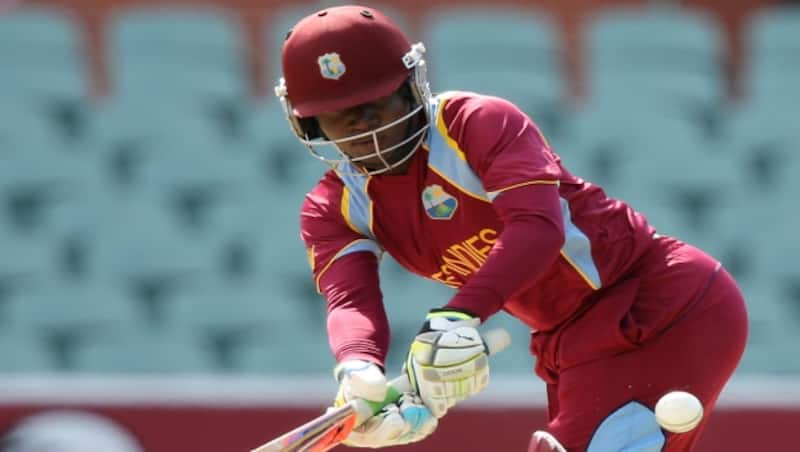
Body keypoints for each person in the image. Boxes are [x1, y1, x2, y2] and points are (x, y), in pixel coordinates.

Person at [274, 5, 748, 451]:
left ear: (411, 86)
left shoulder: (473, 123)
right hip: (568, 342)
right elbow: (351, 300)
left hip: (660, 304)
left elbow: (538, 229)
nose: (367, 128)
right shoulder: (332, 208)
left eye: (377, 103)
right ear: (311, 125)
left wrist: (457, 317)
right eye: (342, 115)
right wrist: (360, 369)